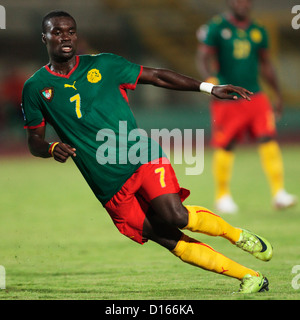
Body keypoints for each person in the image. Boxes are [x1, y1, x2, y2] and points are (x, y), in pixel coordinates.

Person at [22, 10, 273, 294]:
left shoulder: (105, 64)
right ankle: (250, 276)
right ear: (44, 37)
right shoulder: (35, 88)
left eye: (70, 31)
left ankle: (237, 235)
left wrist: (209, 88)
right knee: (168, 238)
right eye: (57, 32)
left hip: (140, 156)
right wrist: (51, 147)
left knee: (175, 216)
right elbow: (34, 141)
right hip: (107, 187)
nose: (65, 37)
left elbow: (156, 77)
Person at [196, 0, 297, 214]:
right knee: (227, 144)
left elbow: (266, 64)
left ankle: (279, 193)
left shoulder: (258, 29)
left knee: (267, 137)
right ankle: (222, 196)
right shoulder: (217, 26)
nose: (242, 4)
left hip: (256, 96)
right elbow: (202, 56)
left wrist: (277, 94)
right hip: (228, 97)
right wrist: (210, 82)